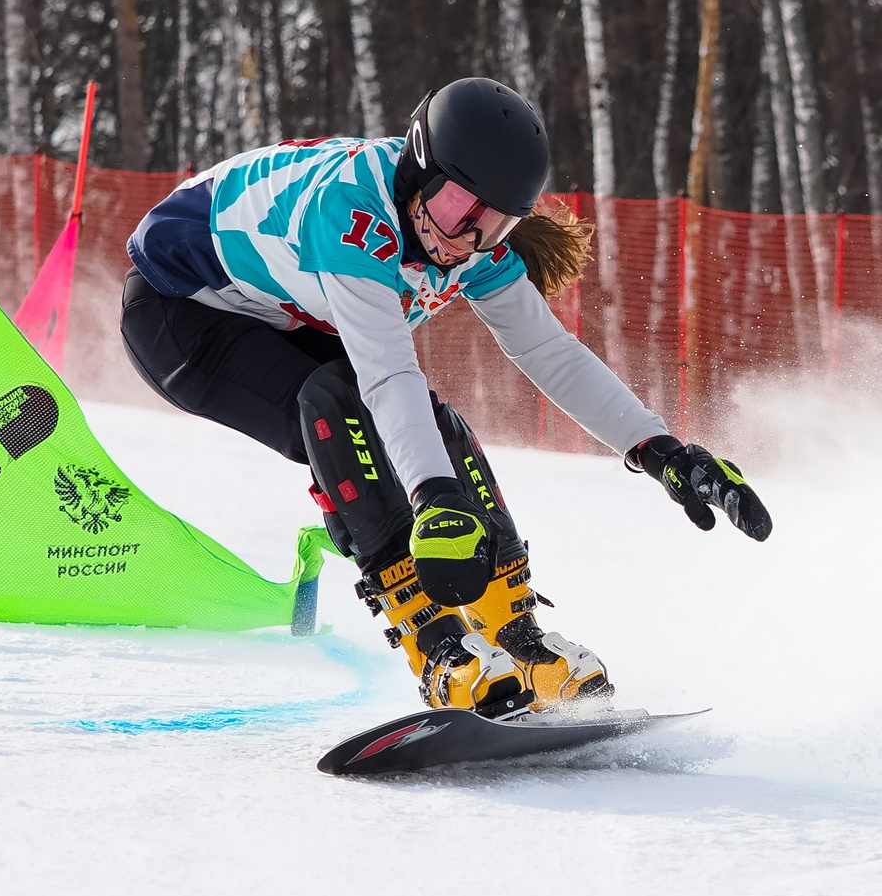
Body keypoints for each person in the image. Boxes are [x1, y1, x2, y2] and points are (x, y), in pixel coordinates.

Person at [118, 78, 772, 719]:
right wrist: (433, 498)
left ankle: (518, 639)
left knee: (434, 427)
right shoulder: (350, 215)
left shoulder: (469, 241)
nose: (468, 238)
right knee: (340, 406)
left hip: (280, 310)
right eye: (462, 208)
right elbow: (385, 378)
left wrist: (659, 450)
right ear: (418, 167)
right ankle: (434, 644)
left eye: (496, 223)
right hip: (180, 312)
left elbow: (550, 352)